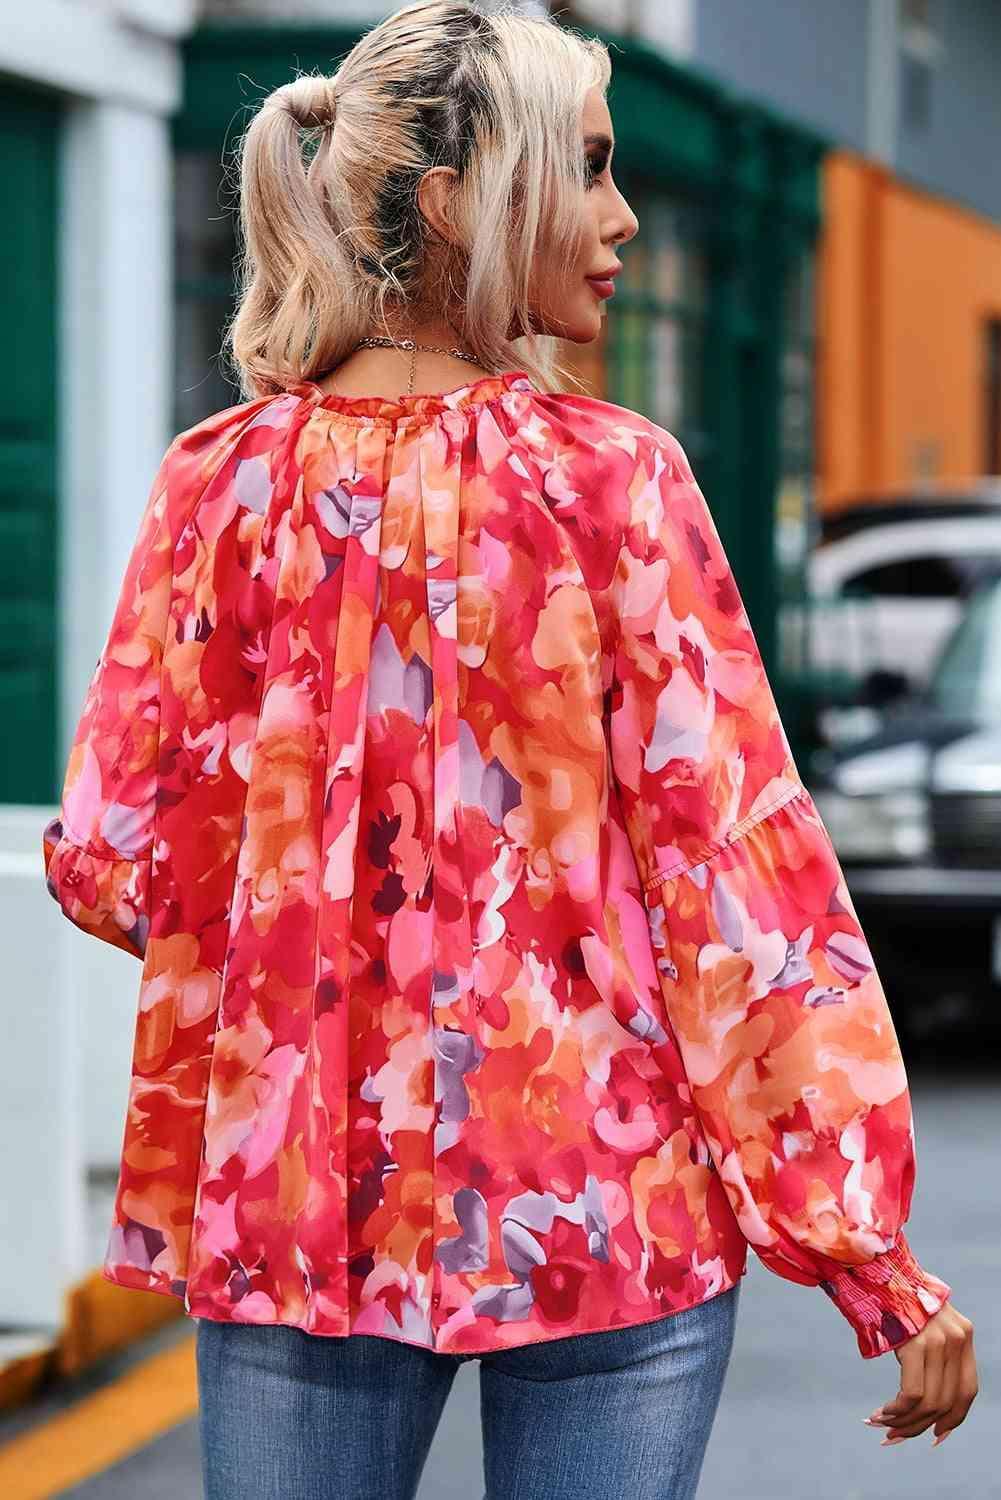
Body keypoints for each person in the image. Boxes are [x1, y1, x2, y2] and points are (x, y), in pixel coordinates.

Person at [41, 2, 978, 1496]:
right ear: (454, 197)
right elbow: (738, 882)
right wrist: (862, 1248)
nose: (616, 217)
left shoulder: (218, 489)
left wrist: (316, 924)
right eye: (587, 168)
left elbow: (107, 865)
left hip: (305, 1216)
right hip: (608, 1207)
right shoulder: (611, 483)